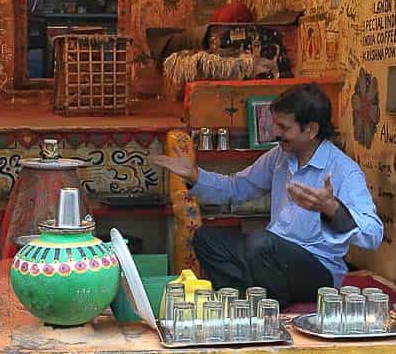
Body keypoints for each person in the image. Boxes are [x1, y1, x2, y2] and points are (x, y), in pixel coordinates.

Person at [150, 83, 383, 307]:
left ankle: (269, 304)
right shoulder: (278, 157)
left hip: (317, 271)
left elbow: (373, 234)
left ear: (311, 129)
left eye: (283, 128)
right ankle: (248, 300)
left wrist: (332, 209)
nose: (274, 132)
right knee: (207, 239)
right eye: (275, 125)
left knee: (261, 243)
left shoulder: (344, 169)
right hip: (270, 260)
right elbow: (236, 188)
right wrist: (194, 176)